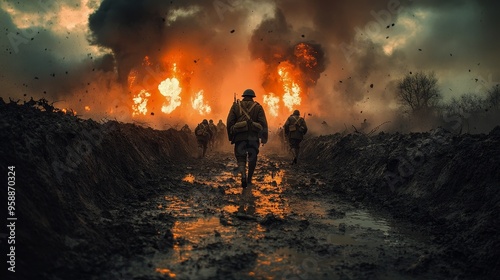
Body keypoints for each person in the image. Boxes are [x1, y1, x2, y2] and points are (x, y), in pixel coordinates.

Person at [227, 89, 268, 188]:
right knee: (252, 157)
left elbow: (229, 122)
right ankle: (249, 179)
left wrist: (231, 136)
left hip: (240, 137)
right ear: (253, 97)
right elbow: (263, 123)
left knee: (241, 157)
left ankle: (243, 175)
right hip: (253, 138)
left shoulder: (236, 106)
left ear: (243, 96)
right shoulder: (258, 107)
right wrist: (264, 138)